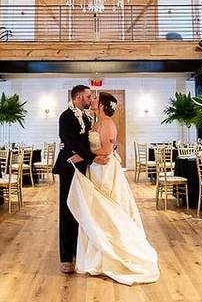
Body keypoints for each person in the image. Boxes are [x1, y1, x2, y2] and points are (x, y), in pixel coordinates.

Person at [66, 91, 160, 285]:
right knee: (96, 211)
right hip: (96, 169)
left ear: (101, 104)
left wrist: (83, 156)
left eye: (95, 99)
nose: (91, 100)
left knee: (107, 209)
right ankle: (98, 256)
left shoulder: (107, 123)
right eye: (90, 98)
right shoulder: (95, 121)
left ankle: (115, 254)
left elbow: (107, 151)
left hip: (105, 170)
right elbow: (96, 144)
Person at [53, 85, 106, 274]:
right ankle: (66, 257)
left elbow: (88, 142)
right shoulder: (66, 117)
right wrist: (91, 157)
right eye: (88, 96)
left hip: (84, 167)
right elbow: (71, 141)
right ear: (78, 97)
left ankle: (81, 251)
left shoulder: (87, 117)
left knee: (83, 208)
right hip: (69, 167)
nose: (91, 99)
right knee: (68, 208)